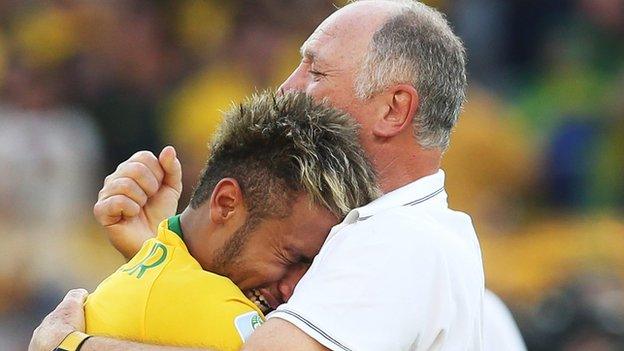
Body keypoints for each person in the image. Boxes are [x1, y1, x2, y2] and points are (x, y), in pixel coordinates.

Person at [30, 1, 485, 350]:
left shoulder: (395, 237)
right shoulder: (412, 231)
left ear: (393, 109)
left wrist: (74, 345)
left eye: (315, 71)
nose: (287, 87)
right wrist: (171, 256)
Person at [82, 92, 379, 351]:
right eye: (290, 256)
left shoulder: (154, 266)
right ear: (226, 204)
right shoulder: (220, 315)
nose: (293, 290)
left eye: (312, 267)